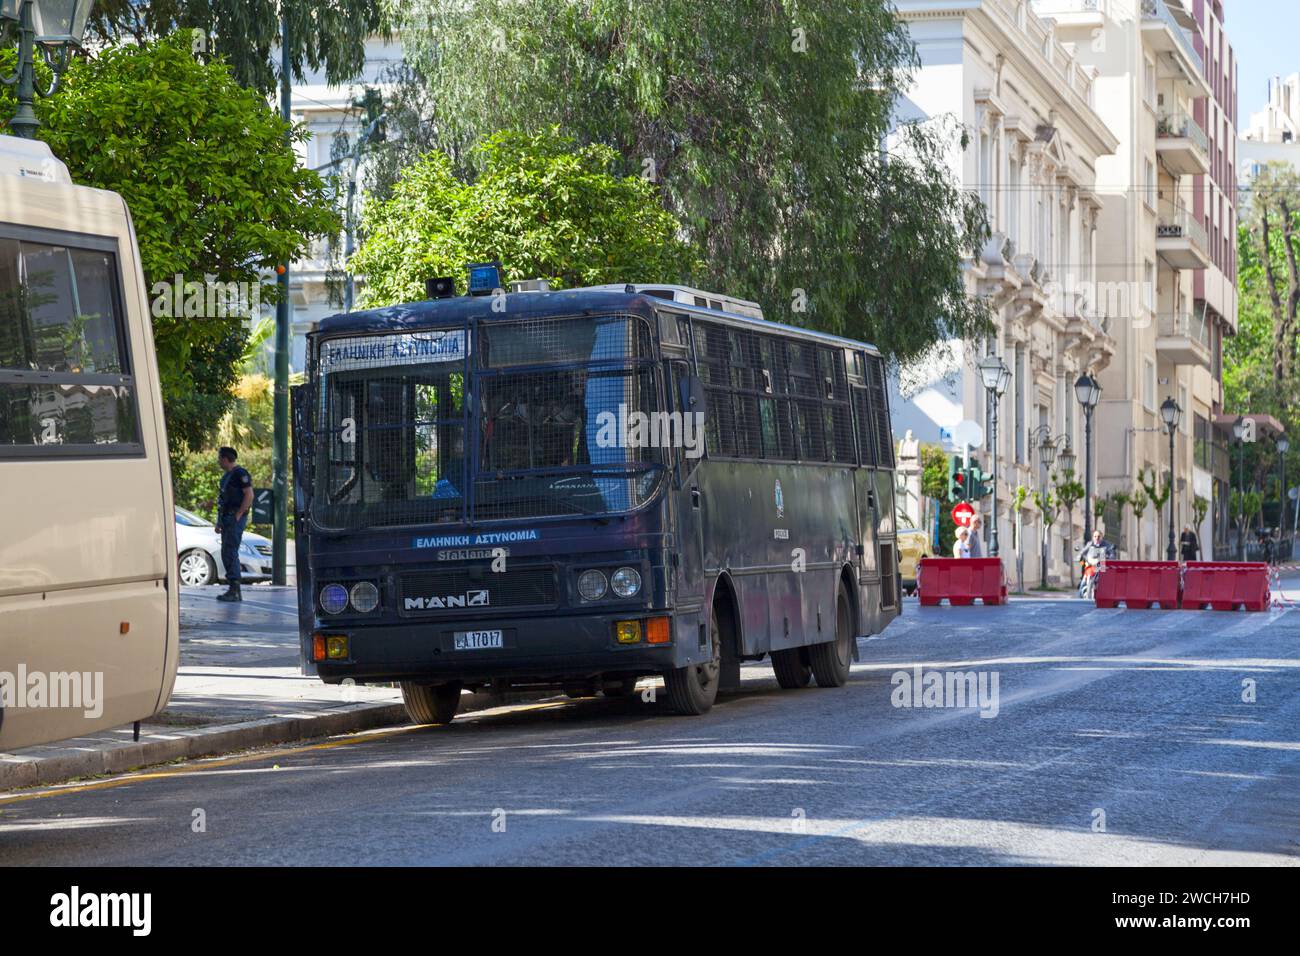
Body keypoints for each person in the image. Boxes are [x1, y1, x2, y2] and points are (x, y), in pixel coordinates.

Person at [215, 446, 254, 602]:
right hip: (227, 517)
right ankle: (232, 588)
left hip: (234, 517)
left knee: (230, 551)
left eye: (219, 458)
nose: (218, 461)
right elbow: (223, 500)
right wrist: (219, 522)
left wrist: (239, 514)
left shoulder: (240, 473)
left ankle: (235, 590)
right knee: (226, 552)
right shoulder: (227, 476)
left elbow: (249, 495)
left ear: (225, 459)